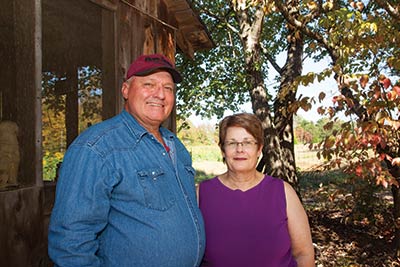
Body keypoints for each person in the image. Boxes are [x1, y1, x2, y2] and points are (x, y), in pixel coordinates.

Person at [48, 54, 205, 267]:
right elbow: (71, 244)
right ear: (125, 90)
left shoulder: (176, 145)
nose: (160, 94)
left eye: (168, 88)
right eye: (149, 84)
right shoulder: (96, 148)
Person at [198, 113, 315, 267]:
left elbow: (303, 254)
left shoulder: (283, 192)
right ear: (222, 150)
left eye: (247, 142)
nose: (240, 149)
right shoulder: (201, 194)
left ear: (259, 149)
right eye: (232, 143)